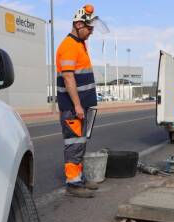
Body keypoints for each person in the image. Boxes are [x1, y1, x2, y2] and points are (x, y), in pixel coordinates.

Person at [56, 4, 107, 198]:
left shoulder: (79, 44)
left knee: (80, 143)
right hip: (72, 107)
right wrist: (77, 105)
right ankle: (73, 184)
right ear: (78, 24)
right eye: (89, 28)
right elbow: (69, 78)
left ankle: (79, 178)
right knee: (73, 143)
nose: (91, 32)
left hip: (81, 105)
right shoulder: (68, 46)